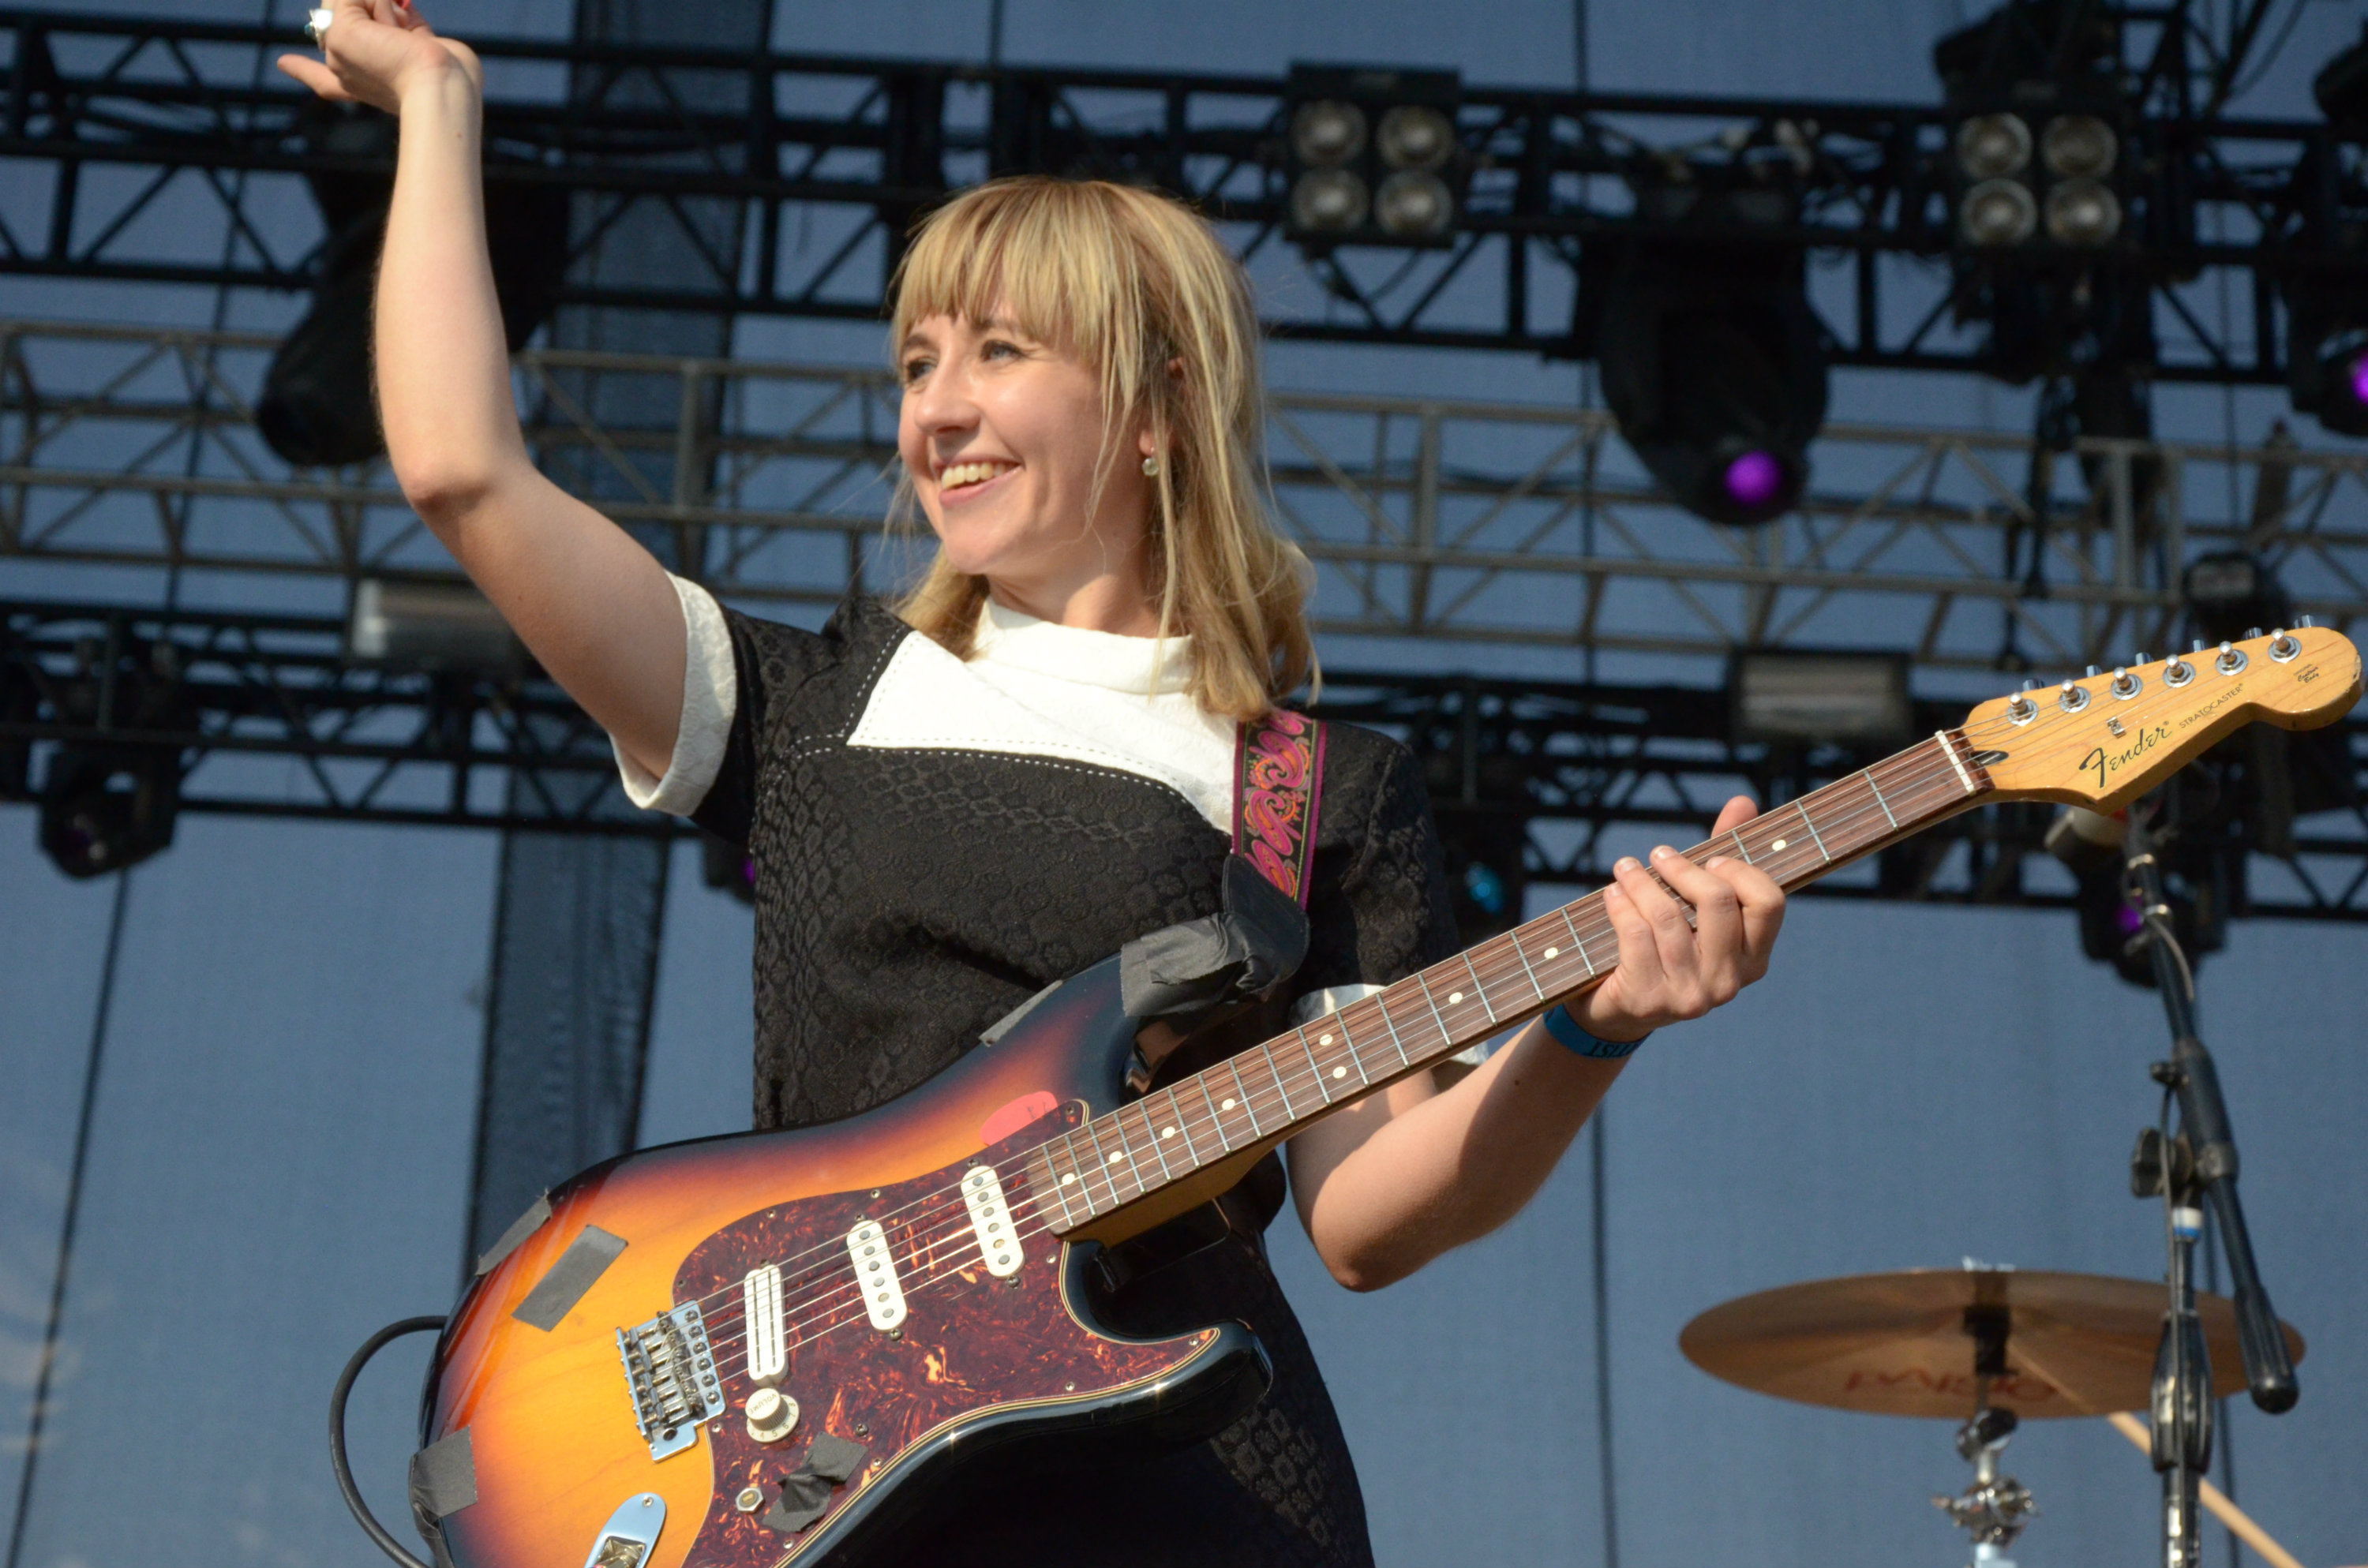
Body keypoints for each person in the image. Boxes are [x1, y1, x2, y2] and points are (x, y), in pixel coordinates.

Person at [283, 6, 1787, 1562]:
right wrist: (443, 108)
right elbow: (464, 471)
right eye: (918, 360)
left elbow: (1360, 1219)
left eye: (1000, 352)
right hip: (830, 1478)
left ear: (1154, 405)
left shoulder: (1315, 788)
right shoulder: (815, 708)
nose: (934, 408)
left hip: (1189, 1481)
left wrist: (1587, 1026)